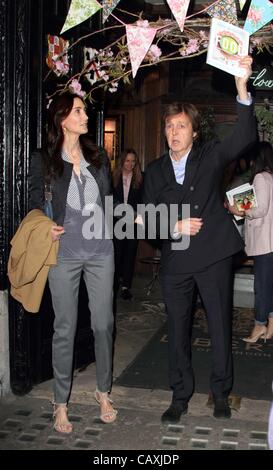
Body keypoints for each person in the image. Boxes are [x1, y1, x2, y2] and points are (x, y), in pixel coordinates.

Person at [143, 56, 256, 423]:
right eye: (169, 126)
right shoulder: (155, 170)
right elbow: (145, 218)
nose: (174, 132)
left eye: (181, 126)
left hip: (212, 255)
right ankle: (180, 396)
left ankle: (221, 393)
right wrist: (175, 226)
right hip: (176, 261)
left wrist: (241, 88)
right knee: (177, 331)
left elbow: (244, 137)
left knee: (220, 326)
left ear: (194, 132)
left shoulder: (209, 155)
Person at [28, 92, 117, 433]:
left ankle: (103, 391)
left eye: (84, 110)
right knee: (64, 328)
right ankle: (60, 402)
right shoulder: (45, 159)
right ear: (63, 118)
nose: (84, 115)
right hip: (63, 252)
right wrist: (45, 226)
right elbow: (36, 204)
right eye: (78, 111)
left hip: (100, 252)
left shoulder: (98, 157)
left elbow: (109, 203)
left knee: (103, 325)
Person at [228, 141, 273, 343]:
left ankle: (259, 325)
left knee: (262, 286)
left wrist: (239, 210)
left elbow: (260, 209)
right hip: (269, 241)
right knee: (268, 285)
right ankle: (270, 324)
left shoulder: (261, 178)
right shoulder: (270, 178)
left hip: (265, 242)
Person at [113, 148, 143, 300]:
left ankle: (126, 286)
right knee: (116, 253)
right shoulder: (113, 177)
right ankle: (114, 284)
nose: (130, 164)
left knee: (130, 254)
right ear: (122, 161)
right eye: (127, 161)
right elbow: (109, 199)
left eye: (133, 161)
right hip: (116, 221)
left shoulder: (140, 178)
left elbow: (144, 200)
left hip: (133, 221)